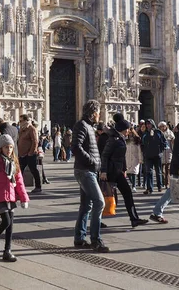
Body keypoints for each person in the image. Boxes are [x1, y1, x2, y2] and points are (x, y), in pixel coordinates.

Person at [72, 99, 109, 253]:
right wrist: (92, 161)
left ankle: (79, 239)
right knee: (99, 203)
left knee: (86, 206)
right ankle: (96, 240)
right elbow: (76, 147)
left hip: (89, 170)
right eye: (98, 112)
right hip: (85, 171)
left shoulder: (89, 126)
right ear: (94, 113)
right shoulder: (82, 125)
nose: (100, 115)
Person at [0, 134, 29, 262]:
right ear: (0, 148)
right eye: (6, 147)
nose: (9, 150)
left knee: (10, 225)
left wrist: (24, 198)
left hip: (11, 196)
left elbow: (19, 181)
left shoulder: (14, 162)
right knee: (6, 221)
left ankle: (7, 250)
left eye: (10, 147)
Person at [100, 113, 148, 228]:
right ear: (122, 129)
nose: (129, 131)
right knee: (104, 196)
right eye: (127, 129)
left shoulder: (121, 138)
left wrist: (124, 169)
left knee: (127, 193)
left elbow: (122, 156)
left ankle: (134, 219)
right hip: (111, 172)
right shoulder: (114, 139)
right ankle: (96, 219)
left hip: (118, 171)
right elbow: (105, 156)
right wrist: (104, 171)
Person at [17, 115, 42, 193]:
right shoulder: (22, 129)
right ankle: (19, 186)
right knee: (19, 170)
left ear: (26, 121)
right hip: (22, 154)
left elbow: (35, 141)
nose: (20, 123)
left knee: (33, 169)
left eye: (21, 121)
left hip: (29, 154)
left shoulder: (32, 129)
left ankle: (38, 186)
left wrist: (31, 152)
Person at [141, 119, 166, 194]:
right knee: (149, 171)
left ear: (152, 124)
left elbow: (164, 142)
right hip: (148, 155)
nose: (148, 125)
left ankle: (160, 186)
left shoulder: (158, 132)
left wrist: (160, 150)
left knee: (158, 171)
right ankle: (149, 188)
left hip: (157, 155)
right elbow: (142, 144)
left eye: (149, 124)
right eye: (147, 124)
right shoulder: (145, 133)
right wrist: (144, 151)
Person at [125, 128, 143, 192]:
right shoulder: (126, 141)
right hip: (127, 157)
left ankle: (134, 186)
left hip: (135, 158)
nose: (130, 135)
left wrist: (140, 159)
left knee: (134, 173)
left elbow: (139, 151)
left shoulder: (137, 141)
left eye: (131, 133)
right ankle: (132, 183)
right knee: (129, 173)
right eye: (129, 133)